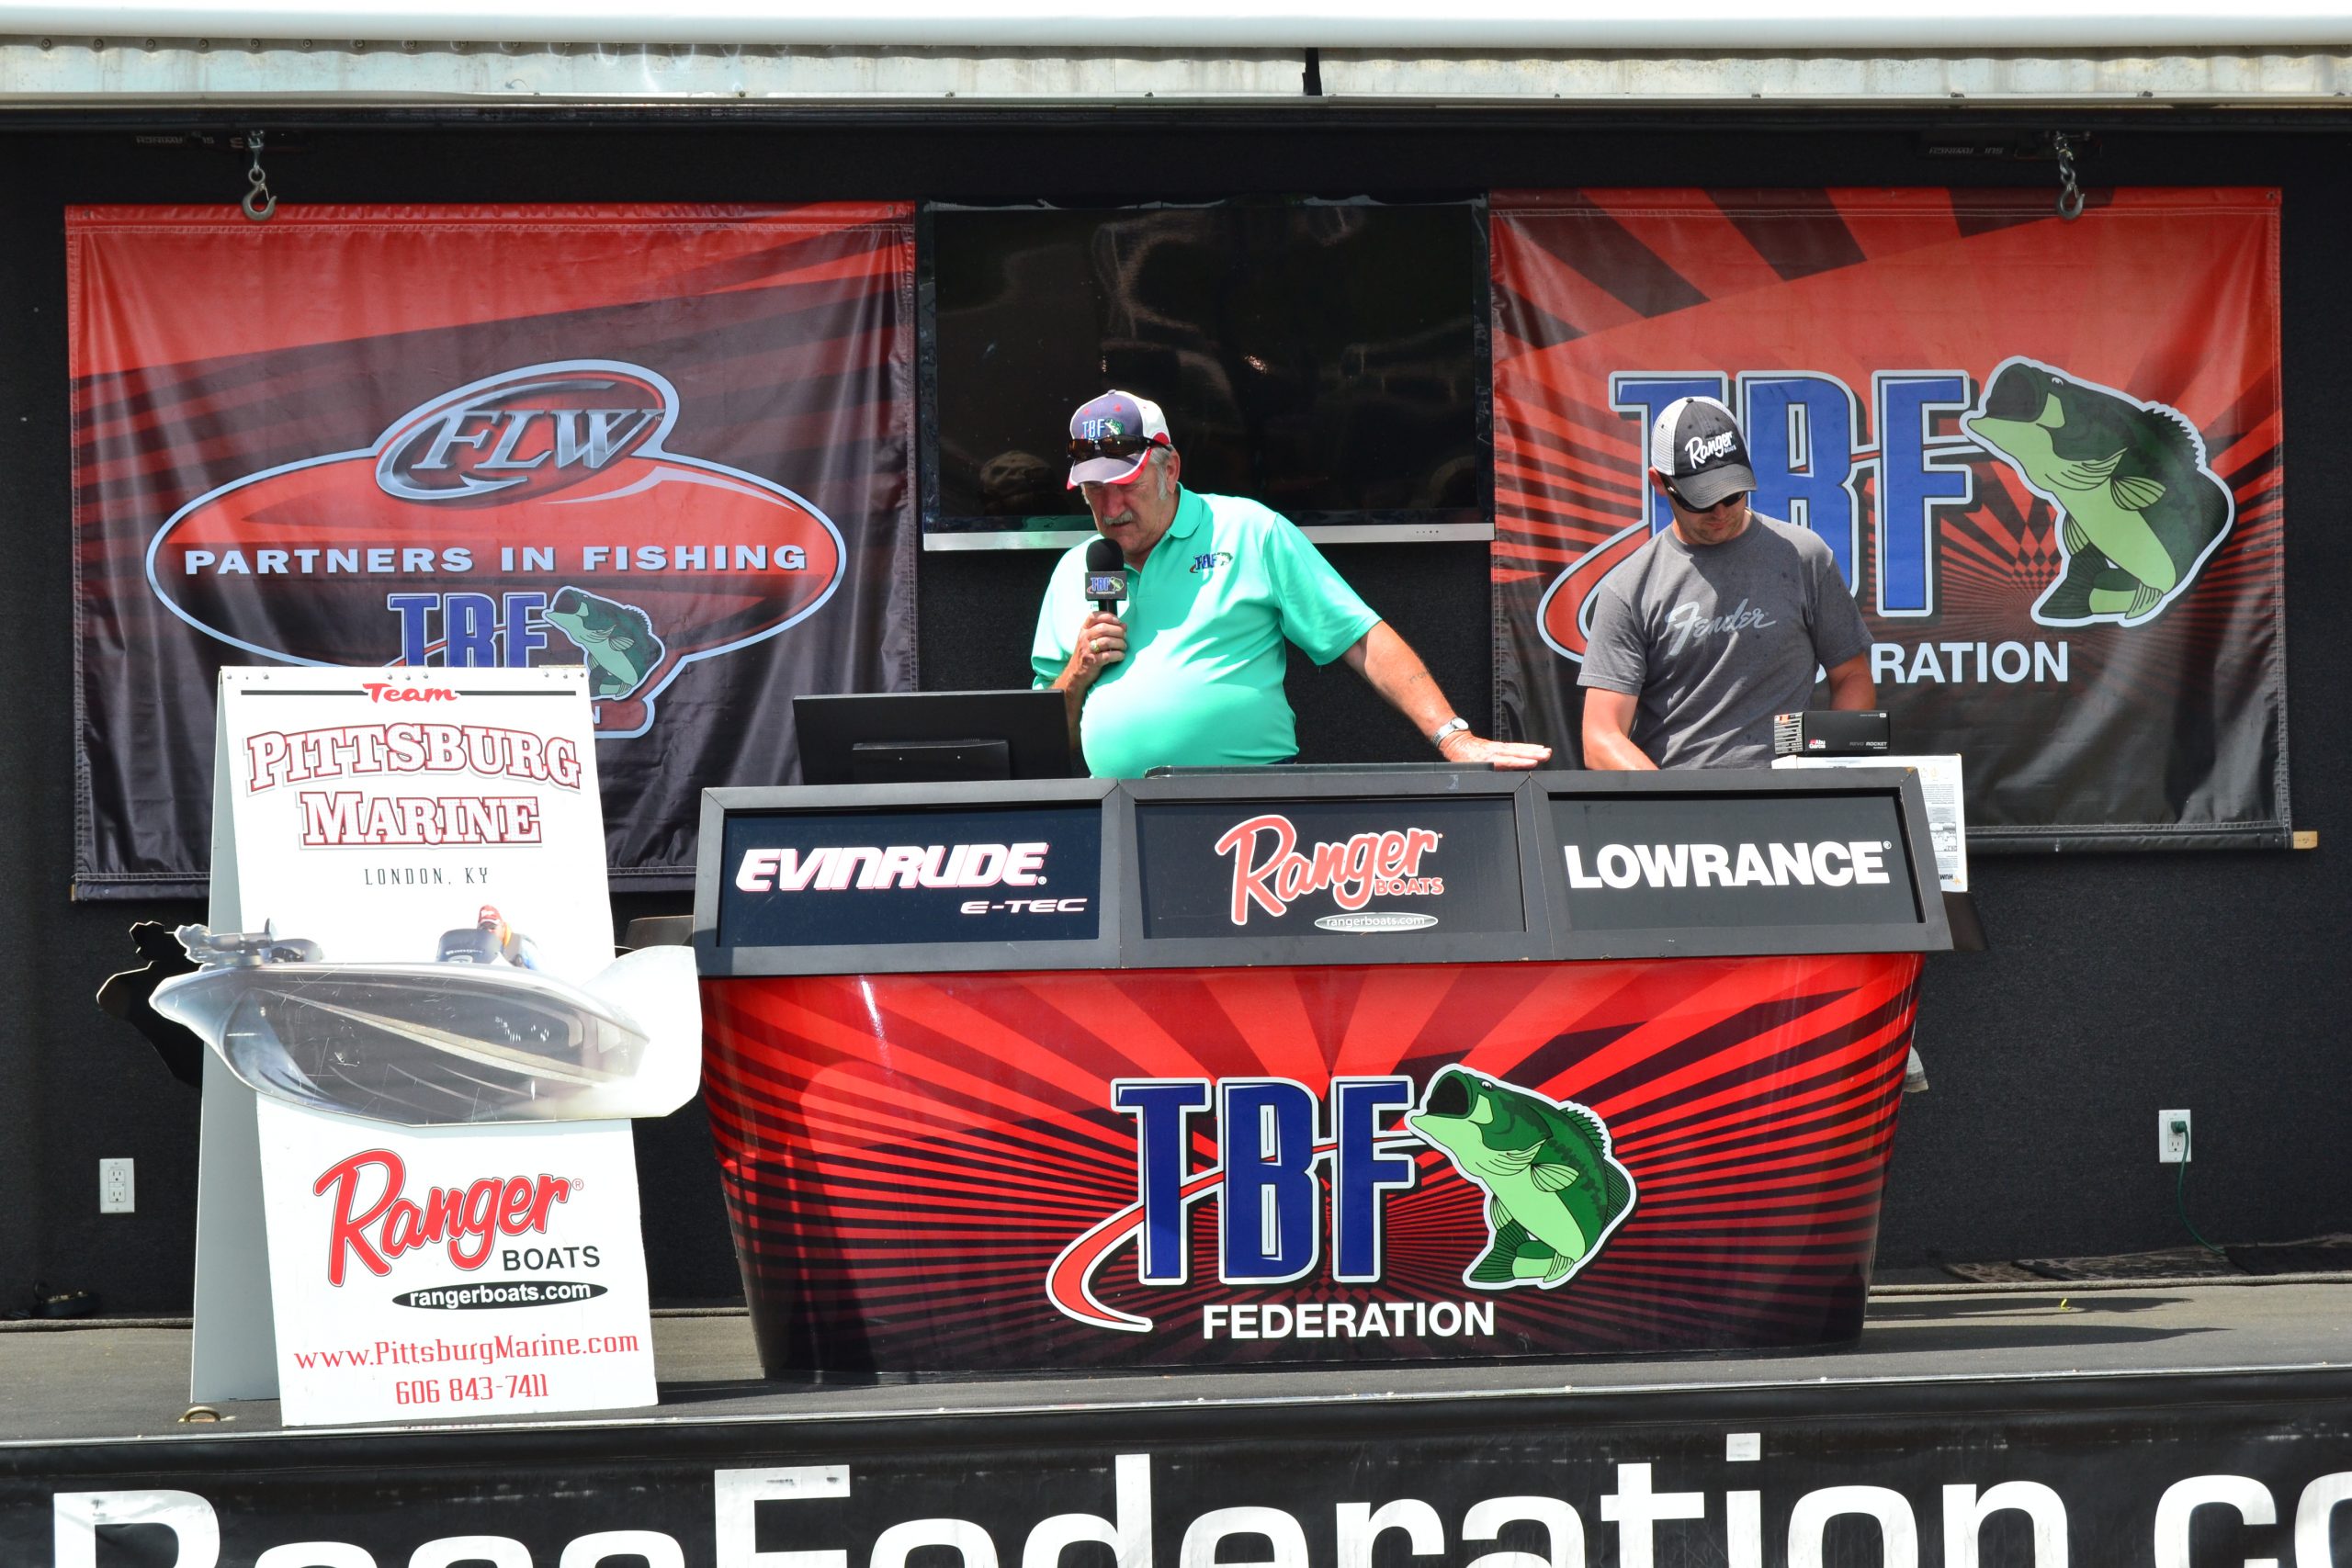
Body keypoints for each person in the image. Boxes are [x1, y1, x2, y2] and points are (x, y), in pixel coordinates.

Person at [1033, 390, 1549, 778]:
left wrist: (1453, 738)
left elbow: (1358, 636)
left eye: (1126, 485)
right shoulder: (1075, 568)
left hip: (1248, 808)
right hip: (1117, 817)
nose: (1111, 507)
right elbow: (1048, 739)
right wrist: (1076, 674)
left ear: (1170, 470)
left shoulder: (1248, 530)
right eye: (1094, 490)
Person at [1579, 396, 1875, 771]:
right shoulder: (1629, 588)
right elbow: (1601, 737)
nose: (1720, 511)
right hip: (1676, 794)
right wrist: (1670, 800)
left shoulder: (1804, 556)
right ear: (1659, 483)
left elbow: (1852, 676)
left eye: (1732, 493)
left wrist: (1825, 773)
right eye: (1700, 500)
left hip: (1791, 795)